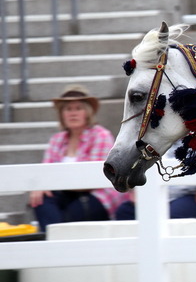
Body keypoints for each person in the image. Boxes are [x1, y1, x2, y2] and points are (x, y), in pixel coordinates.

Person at [28, 84, 125, 234]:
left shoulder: (100, 135)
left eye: (78, 108)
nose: (73, 113)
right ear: (62, 114)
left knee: (70, 214)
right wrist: (40, 186)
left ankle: (56, 241)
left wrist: (53, 182)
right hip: (64, 193)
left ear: (87, 112)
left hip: (96, 195)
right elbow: (44, 172)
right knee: (40, 199)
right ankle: (54, 243)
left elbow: (93, 177)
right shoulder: (57, 140)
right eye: (68, 109)